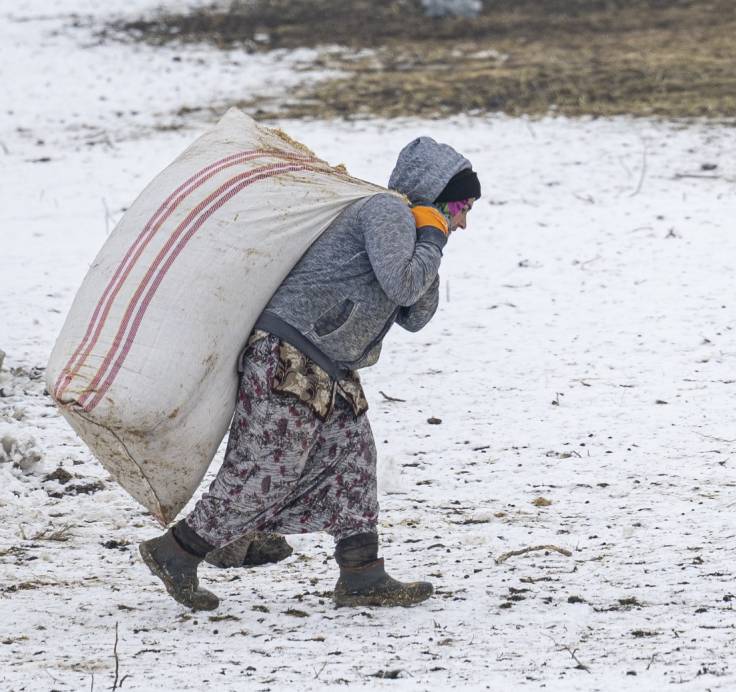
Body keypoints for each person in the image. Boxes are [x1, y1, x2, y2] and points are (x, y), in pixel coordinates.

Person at [138, 136, 480, 611]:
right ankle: (176, 551)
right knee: (264, 472)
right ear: (437, 194)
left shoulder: (414, 228)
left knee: (353, 465)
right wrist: (432, 237)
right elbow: (403, 282)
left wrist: (431, 241)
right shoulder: (384, 211)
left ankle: (363, 576)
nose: (463, 220)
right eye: (461, 206)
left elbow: (414, 313)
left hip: (330, 369)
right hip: (289, 357)